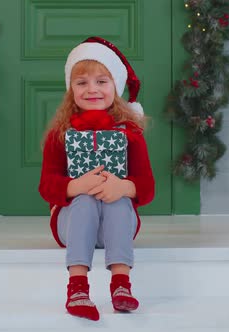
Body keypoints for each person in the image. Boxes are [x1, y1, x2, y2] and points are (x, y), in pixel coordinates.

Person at [38, 36, 155, 321]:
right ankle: (77, 288)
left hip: (118, 227)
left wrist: (123, 186)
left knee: (115, 201)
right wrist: (75, 186)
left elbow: (147, 187)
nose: (92, 89)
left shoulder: (130, 133)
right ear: (71, 90)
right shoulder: (60, 134)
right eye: (82, 83)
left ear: (115, 87)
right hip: (74, 225)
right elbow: (46, 186)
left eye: (102, 81)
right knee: (85, 201)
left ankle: (121, 286)